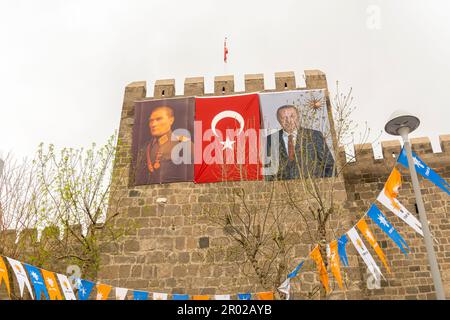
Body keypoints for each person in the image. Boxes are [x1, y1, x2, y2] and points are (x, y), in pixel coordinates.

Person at [265, 104, 335, 180]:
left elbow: (329, 165)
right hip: (283, 189)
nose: (288, 121)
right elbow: (268, 170)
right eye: (283, 118)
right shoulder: (270, 139)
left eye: (292, 116)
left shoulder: (314, 135)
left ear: (298, 117)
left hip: (313, 187)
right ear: (278, 120)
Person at [134, 105, 193, 185]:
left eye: (159, 119)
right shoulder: (145, 148)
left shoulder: (184, 144)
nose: (153, 124)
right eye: (151, 121)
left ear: (171, 120)